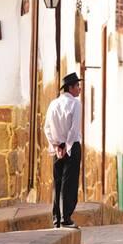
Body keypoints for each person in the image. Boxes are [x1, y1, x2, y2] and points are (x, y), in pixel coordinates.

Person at [44, 72, 82, 229]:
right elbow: (74, 129)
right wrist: (67, 146)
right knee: (70, 183)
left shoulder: (53, 104)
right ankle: (66, 218)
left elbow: (46, 128)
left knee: (58, 183)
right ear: (71, 88)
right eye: (77, 86)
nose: (79, 89)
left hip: (57, 149)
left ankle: (56, 219)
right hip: (71, 148)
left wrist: (56, 146)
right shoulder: (75, 104)